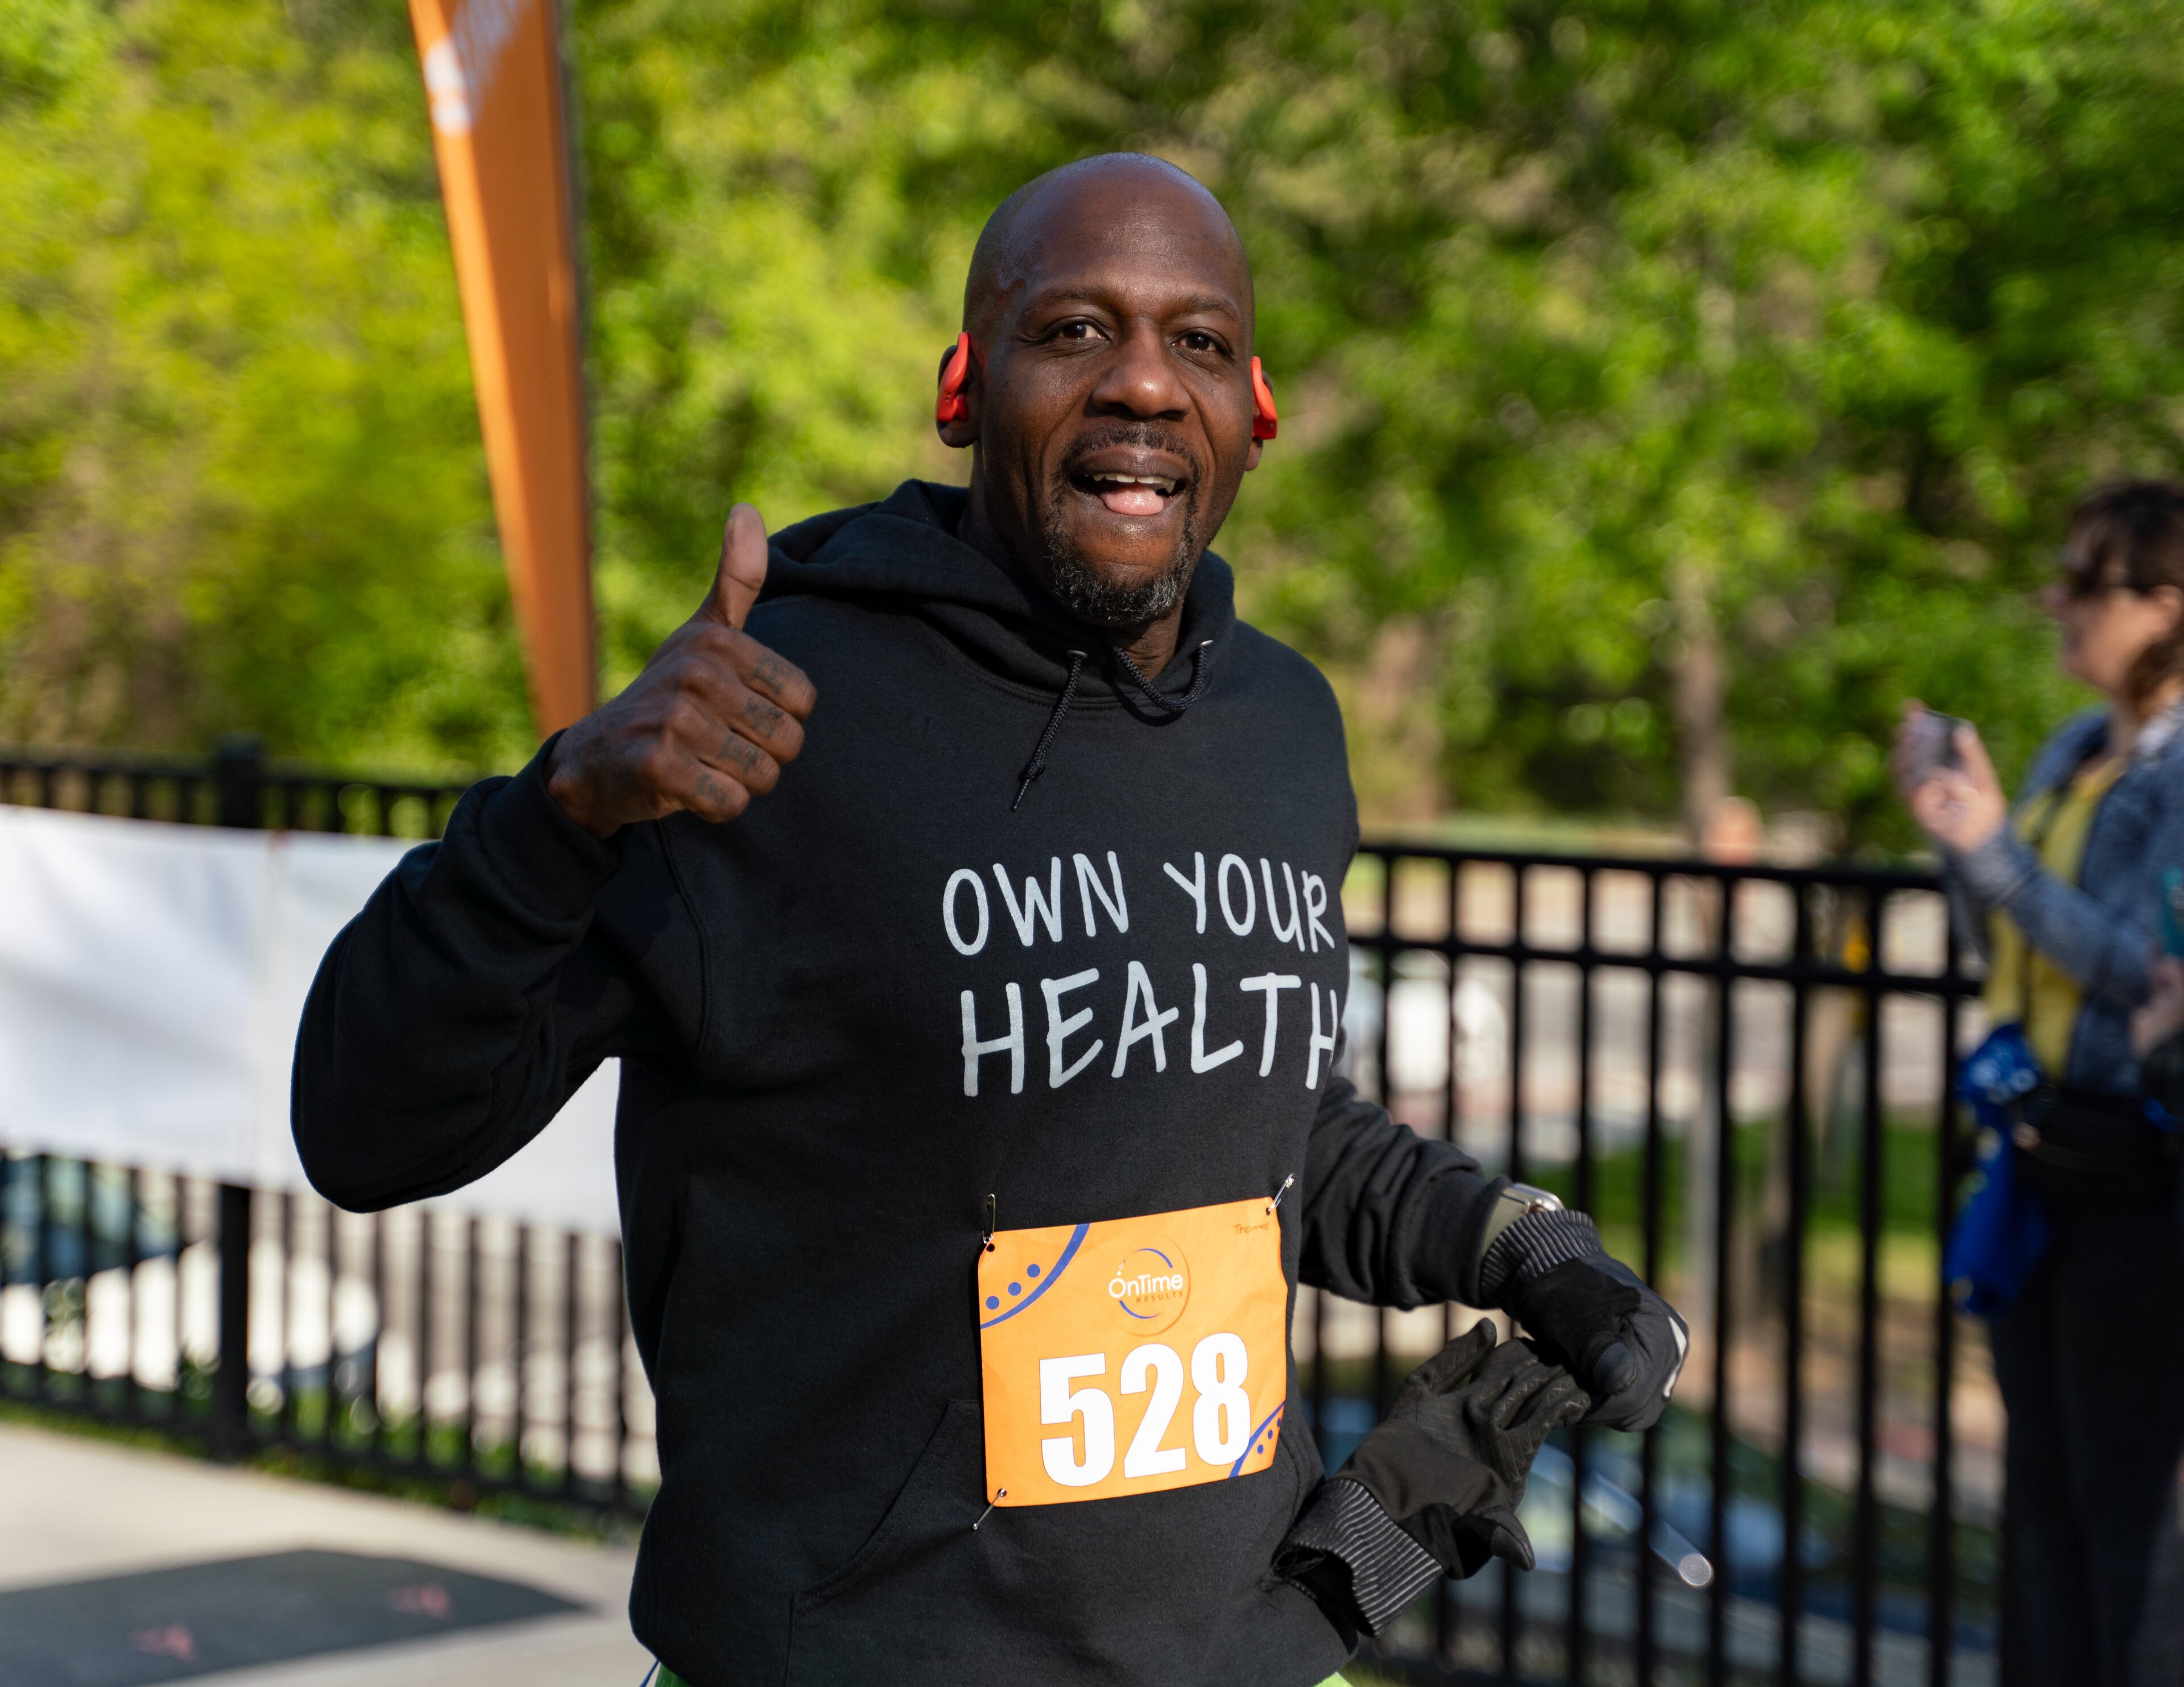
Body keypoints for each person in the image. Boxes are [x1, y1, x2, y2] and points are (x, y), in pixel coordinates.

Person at [293, 154, 1685, 1686]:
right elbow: (369, 1132)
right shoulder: (772, 719)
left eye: (1199, 343)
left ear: (1257, 410)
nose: (1144, 383)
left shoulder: (1283, 726)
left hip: (1247, 1658)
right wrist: (556, 813)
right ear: (966, 387)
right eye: (1075, 331)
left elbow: (1242, 1113)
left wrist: (1511, 1242)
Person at [1895, 480, 2184, 1687]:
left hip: (2139, 1175)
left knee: (2129, 1519)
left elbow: (2140, 968)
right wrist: (1959, 834)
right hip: (2036, 1158)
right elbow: (2010, 942)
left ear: (2170, 605)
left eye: (2088, 579)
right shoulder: (2078, 746)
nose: (2056, 599)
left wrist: (1997, 855)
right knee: (2039, 1507)